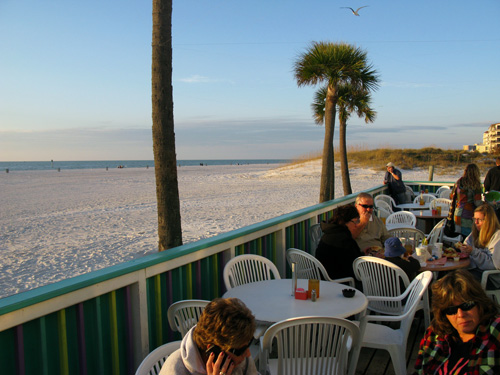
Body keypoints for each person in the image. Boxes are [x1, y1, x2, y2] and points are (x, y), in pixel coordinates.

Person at [414, 269, 500, 374]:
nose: (460, 314)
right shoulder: (434, 334)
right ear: (443, 313)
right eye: (451, 310)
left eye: (467, 305)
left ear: (480, 303)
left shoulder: (495, 330)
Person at [161, 298, 259, 375]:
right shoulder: (174, 370)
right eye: (241, 350)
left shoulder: (239, 354)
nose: (248, 354)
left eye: (248, 344)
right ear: (214, 352)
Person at [315, 204, 363, 280]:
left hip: (324, 280)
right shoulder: (344, 240)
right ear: (345, 222)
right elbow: (359, 266)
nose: (357, 225)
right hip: (342, 282)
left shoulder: (328, 234)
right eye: (356, 221)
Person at [459, 203, 500, 288]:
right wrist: (464, 248)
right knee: (450, 275)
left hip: (491, 278)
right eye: (474, 219)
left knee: (460, 281)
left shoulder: (497, 236)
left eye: (480, 220)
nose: (476, 222)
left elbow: (493, 265)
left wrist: (473, 252)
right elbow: (467, 243)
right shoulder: (477, 231)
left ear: (488, 221)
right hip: (476, 270)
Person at [450, 163, 483, 237]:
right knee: (468, 239)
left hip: (457, 213)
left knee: (459, 238)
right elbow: (478, 203)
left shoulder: (459, 182)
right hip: (468, 214)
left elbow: (452, 196)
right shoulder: (475, 185)